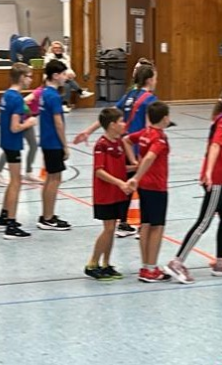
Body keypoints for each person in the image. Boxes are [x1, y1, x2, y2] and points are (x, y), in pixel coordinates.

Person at [165, 84, 222, 283]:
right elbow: (215, 146)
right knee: (203, 222)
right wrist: (209, 173)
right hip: (214, 180)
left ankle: (221, 262)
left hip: (218, 179)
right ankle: (176, 262)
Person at [74, 64, 158, 238]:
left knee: (126, 187)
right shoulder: (150, 99)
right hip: (137, 148)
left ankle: (123, 223)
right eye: (155, 78)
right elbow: (149, 128)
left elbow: (109, 115)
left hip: (123, 146)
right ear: (150, 80)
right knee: (142, 188)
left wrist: (88, 131)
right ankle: (143, 226)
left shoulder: (129, 96)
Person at [124, 101, 173, 283]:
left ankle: (146, 266)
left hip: (144, 186)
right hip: (156, 186)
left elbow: (126, 140)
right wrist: (137, 175)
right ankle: (151, 268)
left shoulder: (145, 133)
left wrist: (134, 162)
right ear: (165, 118)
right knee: (157, 227)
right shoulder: (159, 138)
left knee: (145, 224)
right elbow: (151, 157)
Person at [85, 108, 135, 281]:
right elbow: (99, 171)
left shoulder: (119, 142)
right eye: (121, 121)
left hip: (117, 194)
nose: (124, 124)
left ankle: (106, 264)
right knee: (108, 229)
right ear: (112, 125)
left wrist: (137, 168)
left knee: (111, 229)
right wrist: (120, 182)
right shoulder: (101, 145)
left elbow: (120, 168)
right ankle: (92, 264)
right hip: (105, 194)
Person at [0, 63, 38, 239]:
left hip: (5, 141)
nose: (31, 80)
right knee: (16, 182)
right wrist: (29, 123)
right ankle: (11, 225)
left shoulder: (6, 95)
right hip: (13, 143)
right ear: (21, 77)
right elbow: (15, 127)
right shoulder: (17, 99)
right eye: (28, 76)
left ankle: (4, 215)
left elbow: (0, 120)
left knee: (14, 180)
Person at [37, 59, 72, 231]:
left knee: (50, 178)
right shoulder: (54, 96)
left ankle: (46, 214)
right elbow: (58, 123)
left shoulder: (44, 93)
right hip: (53, 142)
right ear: (56, 75)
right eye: (64, 74)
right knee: (55, 179)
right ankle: (48, 218)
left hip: (46, 141)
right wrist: (65, 145)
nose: (66, 77)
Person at [0, 80, 42, 186]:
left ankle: (29, 172)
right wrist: (29, 112)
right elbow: (23, 101)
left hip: (26, 120)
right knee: (10, 149)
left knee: (33, 146)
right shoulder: (39, 92)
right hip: (22, 120)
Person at [44, 41, 94, 110]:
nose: (57, 49)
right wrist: (64, 74)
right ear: (52, 49)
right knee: (67, 80)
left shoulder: (66, 57)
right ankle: (80, 92)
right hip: (53, 76)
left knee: (67, 84)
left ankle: (64, 104)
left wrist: (71, 74)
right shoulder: (48, 57)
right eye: (55, 48)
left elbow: (68, 68)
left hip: (63, 77)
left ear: (62, 48)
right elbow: (50, 68)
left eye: (59, 48)